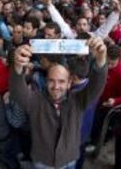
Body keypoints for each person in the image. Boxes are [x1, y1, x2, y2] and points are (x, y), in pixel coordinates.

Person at [10, 36, 108, 168]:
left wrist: (101, 60)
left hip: (69, 160)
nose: (56, 86)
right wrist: (17, 66)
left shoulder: (78, 100)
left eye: (61, 81)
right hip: (43, 162)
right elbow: (18, 92)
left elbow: (96, 86)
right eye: (51, 80)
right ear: (45, 82)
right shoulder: (36, 100)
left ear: (69, 84)